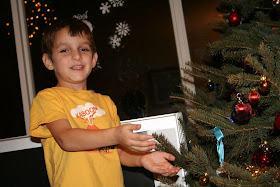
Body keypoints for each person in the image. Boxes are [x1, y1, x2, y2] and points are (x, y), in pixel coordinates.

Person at [29, 17, 180, 187]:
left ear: (93, 59)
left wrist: (143, 159)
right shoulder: (48, 98)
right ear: (49, 61)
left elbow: (118, 153)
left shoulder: (105, 102)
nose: (77, 55)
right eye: (65, 50)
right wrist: (115, 134)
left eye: (83, 49)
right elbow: (66, 139)